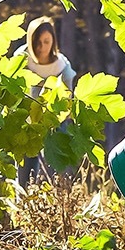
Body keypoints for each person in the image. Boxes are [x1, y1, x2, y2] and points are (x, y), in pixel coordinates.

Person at [16, 16, 78, 186]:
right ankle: (23, 208)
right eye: (37, 42)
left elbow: (67, 100)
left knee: (50, 171)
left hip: (53, 124)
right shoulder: (21, 59)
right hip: (26, 123)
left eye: (46, 41)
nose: (41, 47)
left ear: (53, 42)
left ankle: (51, 202)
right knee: (24, 171)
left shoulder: (62, 68)